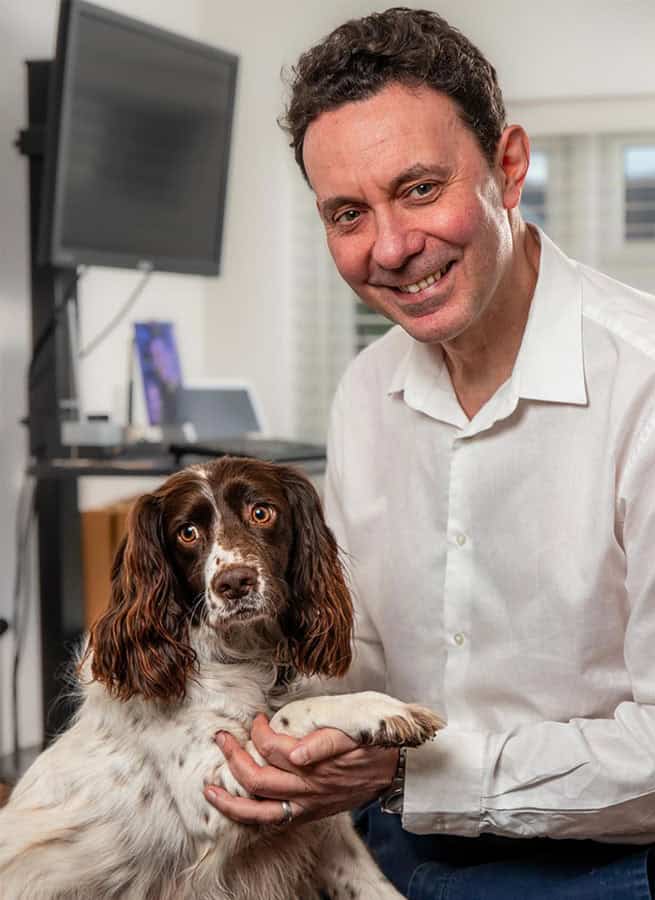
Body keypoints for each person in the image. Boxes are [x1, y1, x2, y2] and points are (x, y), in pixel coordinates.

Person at [204, 8, 655, 897]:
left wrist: (412, 771)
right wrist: (288, 739)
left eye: (417, 189)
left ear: (508, 167)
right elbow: (361, 651)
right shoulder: (365, 390)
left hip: (607, 865)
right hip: (388, 834)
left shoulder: (642, 385)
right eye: (347, 213)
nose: (390, 248)